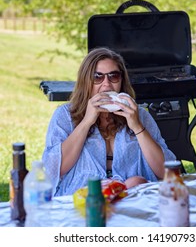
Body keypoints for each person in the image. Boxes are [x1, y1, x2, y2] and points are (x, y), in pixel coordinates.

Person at [42, 47, 176, 196]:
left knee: (135, 182)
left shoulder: (139, 115)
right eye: (97, 77)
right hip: (83, 197)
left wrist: (137, 126)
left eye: (113, 76)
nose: (107, 84)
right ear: (86, 80)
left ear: (121, 80)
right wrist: (86, 121)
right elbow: (53, 170)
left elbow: (166, 172)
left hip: (132, 199)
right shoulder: (65, 115)